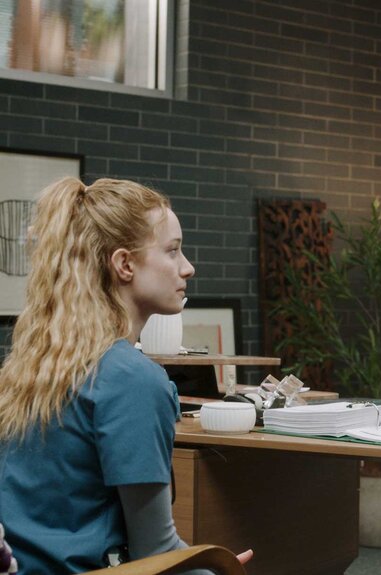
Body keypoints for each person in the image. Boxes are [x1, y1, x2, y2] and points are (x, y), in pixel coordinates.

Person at [0, 178, 253, 573]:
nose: (188, 267)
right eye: (173, 251)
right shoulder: (134, 381)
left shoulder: (29, 369)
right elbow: (156, 549)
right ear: (125, 264)